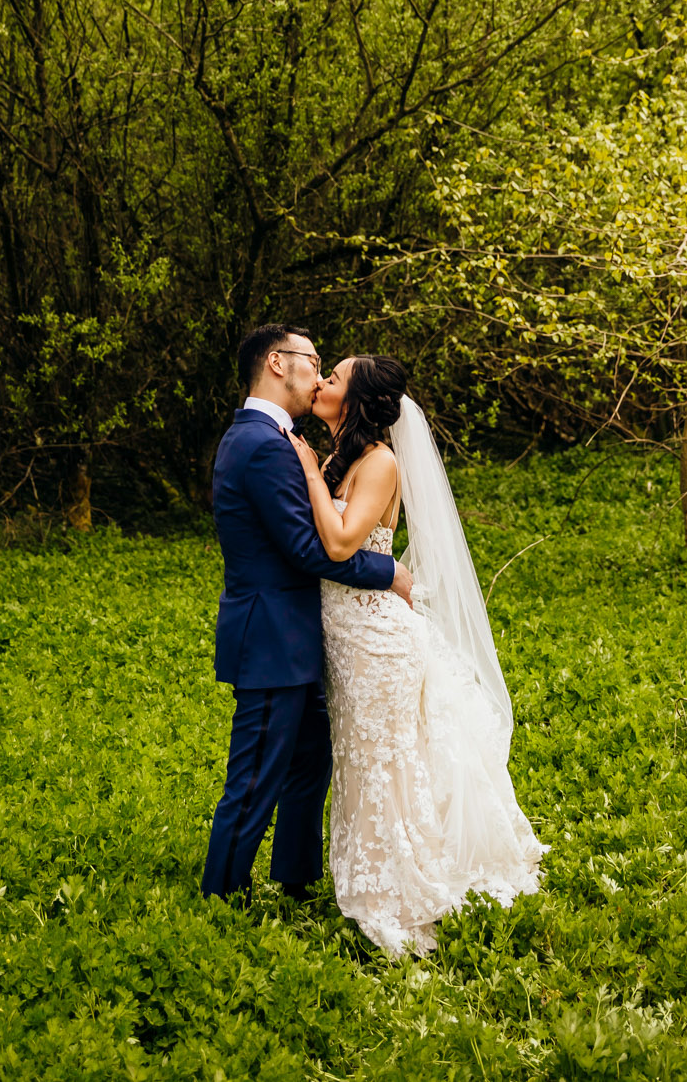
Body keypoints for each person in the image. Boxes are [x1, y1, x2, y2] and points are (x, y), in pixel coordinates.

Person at [286, 354, 546, 957]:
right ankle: (371, 876)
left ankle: (401, 890)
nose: (322, 382)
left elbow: (342, 540)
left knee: (384, 761)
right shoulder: (337, 457)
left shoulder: (379, 463)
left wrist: (305, 474)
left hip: (378, 642)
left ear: (353, 401)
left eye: (335, 378)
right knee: (358, 759)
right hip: (346, 636)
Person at [200, 325, 414, 903]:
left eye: (329, 368)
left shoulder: (276, 439)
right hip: (272, 638)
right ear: (277, 363)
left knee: (310, 759)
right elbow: (307, 548)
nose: (319, 374)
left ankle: (296, 879)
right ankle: (221, 894)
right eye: (313, 361)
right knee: (254, 776)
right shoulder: (262, 444)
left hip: (300, 636)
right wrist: (388, 573)